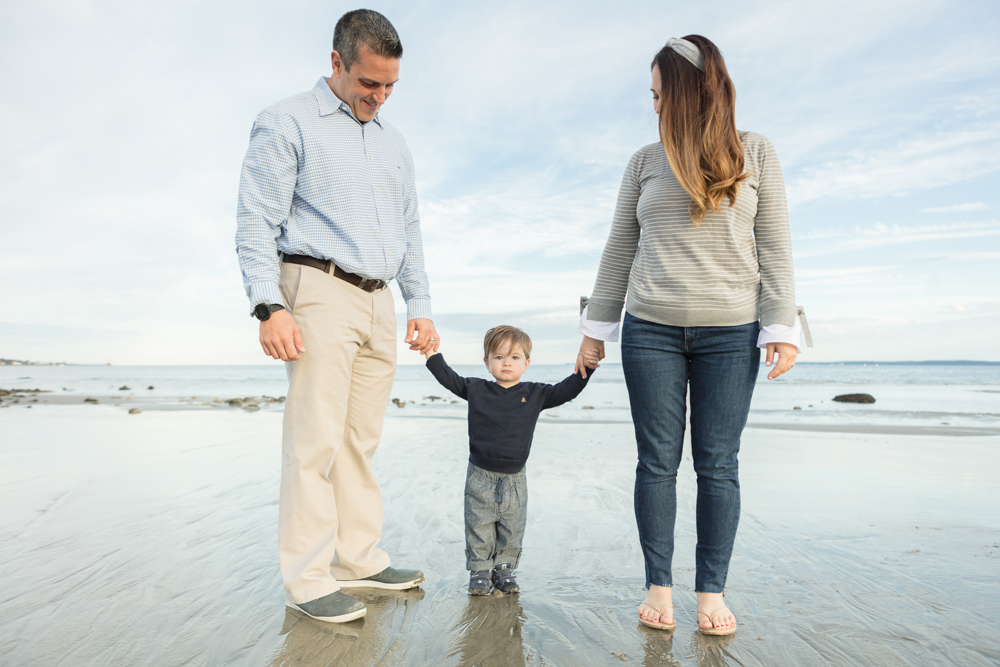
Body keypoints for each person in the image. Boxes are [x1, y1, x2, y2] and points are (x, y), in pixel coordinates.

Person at [575, 35, 810, 635]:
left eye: (658, 94)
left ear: (685, 92)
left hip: (732, 334)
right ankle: (659, 585)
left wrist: (781, 327)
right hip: (650, 330)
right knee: (656, 462)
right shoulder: (643, 161)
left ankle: (711, 592)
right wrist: (595, 331)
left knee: (718, 465)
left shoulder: (756, 152)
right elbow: (618, 248)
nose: (652, 106)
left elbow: (776, 248)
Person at [235, 9, 439, 624]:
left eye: (389, 87)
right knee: (314, 439)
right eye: (368, 83)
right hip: (316, 287)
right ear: (336, 63)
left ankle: (359, 559)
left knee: (359, 440)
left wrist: (419, 305)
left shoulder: (393, 142)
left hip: (380, 300)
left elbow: (410, 228)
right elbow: (255, 221)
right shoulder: (285, 121)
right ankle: (307, 579)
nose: (378, 97)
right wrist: (268, 305)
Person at [422, 326, 601, 595]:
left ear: (526, 364)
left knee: (512, 524)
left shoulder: (536, 393)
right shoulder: (476, 388)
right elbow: (449, 378)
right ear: (487, 362)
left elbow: (568, 390)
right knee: (478, 523)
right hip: (480, 474)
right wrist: (431, 355)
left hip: (515, 477)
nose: (507, 362)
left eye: (515, 357)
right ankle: (480, 569)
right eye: (499, 357)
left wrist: (588, 367)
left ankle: (504, 568)